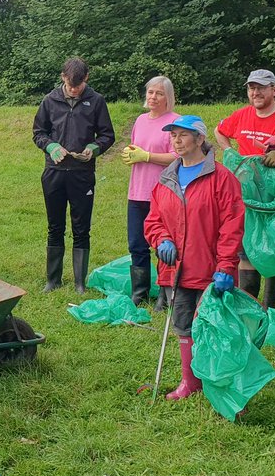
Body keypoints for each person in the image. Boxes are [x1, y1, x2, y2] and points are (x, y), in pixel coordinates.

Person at [144, 115, 245, 400]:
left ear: (200, 139)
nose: (176, 140)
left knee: (214, 327)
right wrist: (161, 238)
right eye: (173, 135)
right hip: (176, 269)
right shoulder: (166, 179)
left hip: (212, 270)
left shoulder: (222, 178)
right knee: (183, 323)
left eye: (183, 135)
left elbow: (232, 225)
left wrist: (226, 265)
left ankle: (219, 386)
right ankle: (190, 383)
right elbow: (153, 219)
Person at [215, 69, 275, 309]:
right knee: (246, 244)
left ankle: (269, 307)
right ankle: (249, 305)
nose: (255, 92)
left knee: (271, 243)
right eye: (251, 88)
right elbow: (220, 131)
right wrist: (230, 151)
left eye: (260, 87)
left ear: (274, 90)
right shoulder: (242, 115)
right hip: (247, 193)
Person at [32, 58, 115, 293]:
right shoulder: (50, 100)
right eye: (70, 85)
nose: (74, 89)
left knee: (81, 228)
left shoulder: (96, 101)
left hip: (82, 173)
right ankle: (53, 279)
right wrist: (51, 147)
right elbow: (39, 132)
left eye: (78, 86)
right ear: (63, 78)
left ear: (86, 78)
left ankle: (79, 282)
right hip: (54, 172)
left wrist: (93, 149)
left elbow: (107, 135)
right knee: (55, 226)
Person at [120, 76, 177, 305]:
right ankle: (140, 293)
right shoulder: (141, 120)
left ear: (168, 98)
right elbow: (137, 147)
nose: (153, 97)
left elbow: (177, 156)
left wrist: (147, 156)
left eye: (159, 93)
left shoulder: (175, 122)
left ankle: (165, 294)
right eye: (151, 92)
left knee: (163, 243)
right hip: (137, 191)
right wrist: (132, 155)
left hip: (163, 193)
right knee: (136, 244)